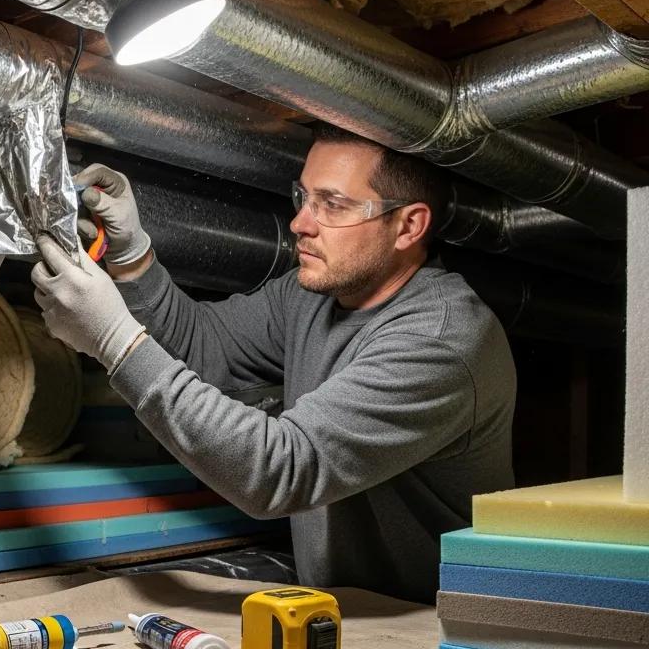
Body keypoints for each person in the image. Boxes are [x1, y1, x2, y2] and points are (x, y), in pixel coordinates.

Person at [31, 124, 516, 602]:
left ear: (408, 226)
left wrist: (115, 340)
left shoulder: (440, 338)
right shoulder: (312, 296)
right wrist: (133, 255)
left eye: (333, 204)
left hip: (431, 628)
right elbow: (203, 345)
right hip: (337, 610)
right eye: (303, 197)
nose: (302, 223)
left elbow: (280, 469)